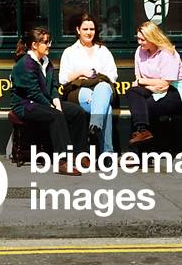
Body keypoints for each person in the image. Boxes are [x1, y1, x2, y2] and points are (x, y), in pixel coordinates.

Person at [11, 25, 88, 174]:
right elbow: (33, 93)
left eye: (49, 41)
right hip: (26, 105)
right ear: (34, 45)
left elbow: (53, 86)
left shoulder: (46, 62)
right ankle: (63, 161)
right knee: (56, 115)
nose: (49, 45)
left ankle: (80, 154)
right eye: (46, 42)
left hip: (44, 102)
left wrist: (57, 102)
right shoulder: (24, 64)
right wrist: (52, 107)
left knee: (77, 112)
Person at [57, 13, 117, 155]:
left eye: (92, 29)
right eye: (85, 29)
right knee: (105, 108)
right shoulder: (70, 52)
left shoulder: (103, 51)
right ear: (78, 30)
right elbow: (63, 78)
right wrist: (81, 72)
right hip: (79, 91)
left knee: (103, 88)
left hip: (101, 90)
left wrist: (92, 78)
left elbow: (112, 76)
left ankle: (95, 125)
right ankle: (107, 153)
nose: (89, 32)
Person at [124, 20, 182, 145]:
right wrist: (145, 83)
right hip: (151, 88)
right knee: (132, 92)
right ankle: (142, 130)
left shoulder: (168, 53)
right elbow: (138, 76)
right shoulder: (139, 51)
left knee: (142, 107)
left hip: (173, 92)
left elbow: (165, 84)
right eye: (138, 39)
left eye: (143, 39)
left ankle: (139, 152)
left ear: (152, 38)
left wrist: (142, 81)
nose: (139, 42)